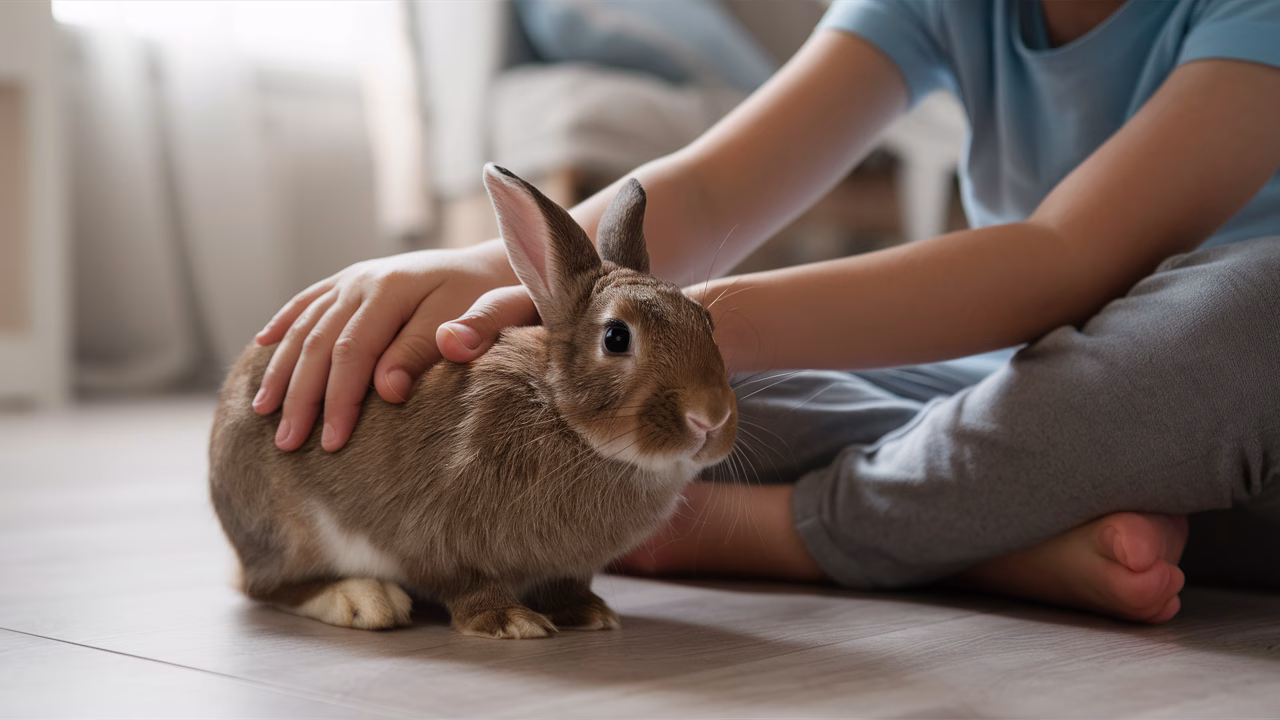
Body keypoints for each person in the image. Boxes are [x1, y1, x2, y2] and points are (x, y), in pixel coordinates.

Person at [250, 0, 1280, 623]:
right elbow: (703, 192)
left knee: (1248, 313)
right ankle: (986, 522)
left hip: (1222, 387)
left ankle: (790, 532)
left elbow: (1063, 257)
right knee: (635, 428)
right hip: (1047, 385)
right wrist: (489, 267)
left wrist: (696, 333)